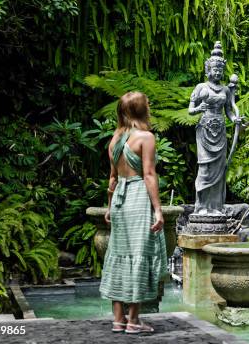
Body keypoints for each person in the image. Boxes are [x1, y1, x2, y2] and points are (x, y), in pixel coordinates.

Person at [99, 91, 167, 334]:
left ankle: (118, 319)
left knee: (118, 255)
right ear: (141, 110)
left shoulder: (115, 139)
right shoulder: (145, 138)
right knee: (138, 255)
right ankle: (134, 321)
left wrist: (109, 207)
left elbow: (112, 179)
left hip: (119, 200)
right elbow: (149, 175)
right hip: (138, 197)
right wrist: (158, 210)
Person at [188, 41, 240, 215]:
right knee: (205, 168)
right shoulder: (200, 87)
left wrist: (236, 119)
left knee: (219, 170)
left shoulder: (225, 89)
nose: (217, 72)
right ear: (208, 70)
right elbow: (190, 110)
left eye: (220, 70)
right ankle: (201, 206)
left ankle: (216, 207)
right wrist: (198, 109)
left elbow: (229, 112)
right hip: (204, 130)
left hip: (220, 131)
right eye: (214, 69)